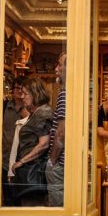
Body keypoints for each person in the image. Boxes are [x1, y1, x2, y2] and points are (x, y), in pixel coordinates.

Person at [10, 77, 53, 206]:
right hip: (31, 173)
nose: (22, 97)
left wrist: (22, 161)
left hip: (35, 174)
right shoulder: (37, 113)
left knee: (34, 212)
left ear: (35, 94)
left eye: (25, 93)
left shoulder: (43, 113)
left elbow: (43, 144)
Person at [2, 75, 27, 206]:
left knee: (20, 197)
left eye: (22, 88)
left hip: (22, 160)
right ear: (12, 90)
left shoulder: (30, 108)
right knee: (7, 198)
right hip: (5, 160)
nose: (19, 91)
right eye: (17, 88)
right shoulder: (4, 106)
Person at [46, 53, 67, 207]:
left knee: (58, 208)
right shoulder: (72, 93)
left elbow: (61, 134)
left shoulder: (65, 94)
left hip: (60, 164)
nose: (56, 69)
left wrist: (52, 161)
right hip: (66, 162)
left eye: (60, 65)